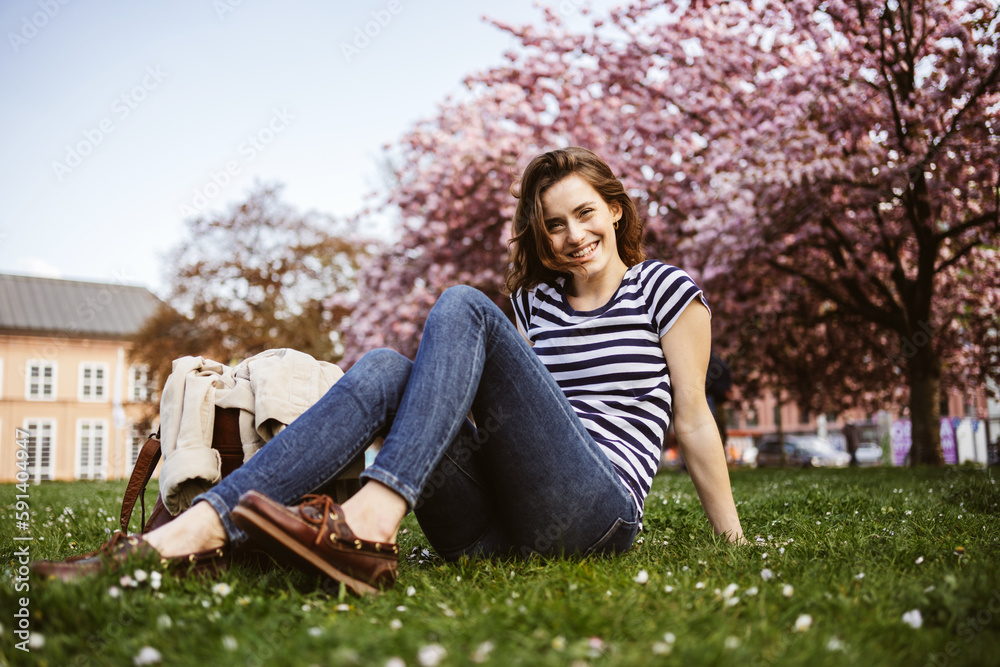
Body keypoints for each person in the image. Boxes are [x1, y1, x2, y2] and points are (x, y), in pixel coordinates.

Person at [35, 147, 745, 595]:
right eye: (552, 224)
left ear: (615, 210)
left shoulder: (665, 292)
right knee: (381, 366)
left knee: (463, 304)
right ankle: (192, 533)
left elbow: (692, 418)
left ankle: (372, 516)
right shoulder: (533, 305)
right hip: (494, 532)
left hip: (594, 514)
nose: (572, 236)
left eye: (585, 214)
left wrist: (733, 541)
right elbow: (509, 424)